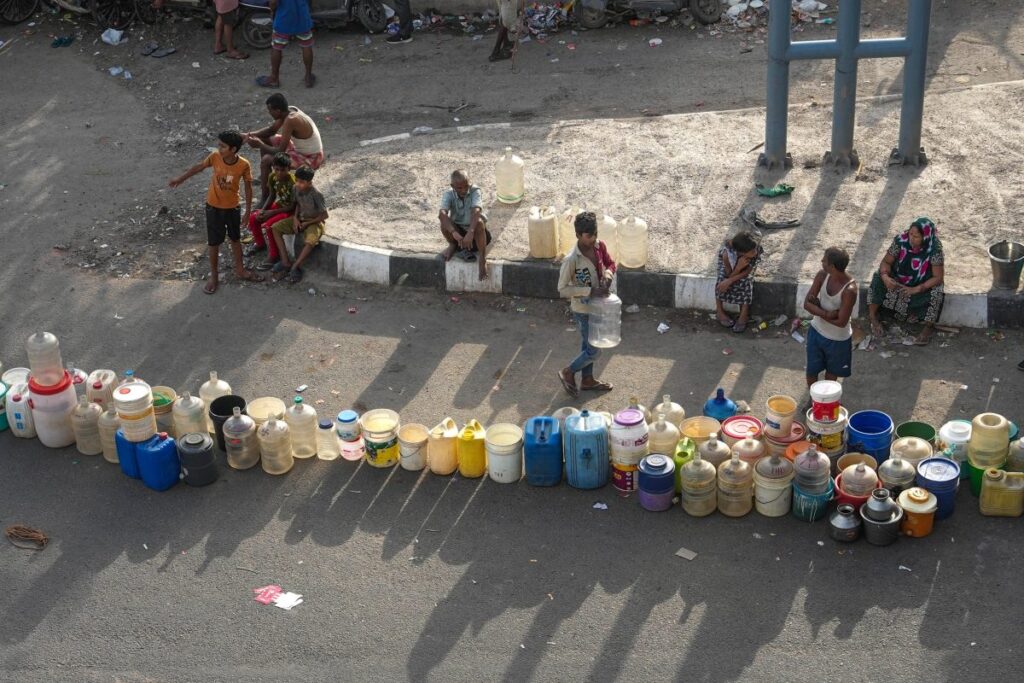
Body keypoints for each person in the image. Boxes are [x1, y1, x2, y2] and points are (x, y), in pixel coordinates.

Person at [169, 131, 263, 294]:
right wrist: (181, 178)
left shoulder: (244, 165)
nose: (219, 148)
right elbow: (199, 167)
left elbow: (248, 187)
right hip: (213, 207)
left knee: (235, 239)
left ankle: (240, 270)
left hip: (232, 208)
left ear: (233, 149)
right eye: (219, 145)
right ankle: (214, 276)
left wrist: (248, 211)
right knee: (214, 243)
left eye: (223, 146)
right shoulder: (214, 157)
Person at [557, 211, 616, 397]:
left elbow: (610, 264)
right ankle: (568, 371)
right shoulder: (571, 260)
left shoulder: (600, 247)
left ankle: (588, 380)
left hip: (599, 306)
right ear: (578, 235)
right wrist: (589, 291)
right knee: (594, 350)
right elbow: (562, 289)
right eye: (589, 236)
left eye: (595, 234)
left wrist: (607, 276)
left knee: (587, 345)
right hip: (583, 310)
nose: (593, 238)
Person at [867, 217, 945, 345]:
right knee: (878, 277)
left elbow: (938, 277)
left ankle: (928, 327)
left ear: (925, 237)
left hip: (921, 286)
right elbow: (886, 262)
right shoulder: (900, 241)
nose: (911, 239)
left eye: (916, 237)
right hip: (899, 281)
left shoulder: (934, 250)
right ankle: (873, 317)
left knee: (937, 291)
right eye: (910, 234)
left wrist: (916, 289)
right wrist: (886, 277)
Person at [802, 247, 856, 408]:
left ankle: (825, 400)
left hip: (838, 339)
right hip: (816, 331)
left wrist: (818, 310)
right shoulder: (822, 275)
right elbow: (806, 304)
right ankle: (813, 400)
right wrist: (827, 313)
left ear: (832, 266)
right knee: (811, 370)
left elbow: (841, 322)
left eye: (824, 260)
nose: (821, 262)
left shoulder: (850, 290)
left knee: (831, 373)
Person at [245, 93, 323, 202]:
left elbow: (279, 151)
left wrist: (259, 145)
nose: (269, 113)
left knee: (266, 159)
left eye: (270, 110)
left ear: (278, 111)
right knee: (265, 138)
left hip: (311, 157)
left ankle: (265, 198)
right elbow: (271, 130)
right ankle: (266, 177)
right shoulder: (289, 110)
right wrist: (247, 135)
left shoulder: (291, 120)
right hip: (299, 149)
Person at [270, 165, 328, 284]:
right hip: (300, 219)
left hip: (314, 222)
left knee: (310, 241)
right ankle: (285, 262)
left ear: (310, 182)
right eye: (297, 181)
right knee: (275, 228)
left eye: (301, 182)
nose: (298, 184)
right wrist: (295, 219)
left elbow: (324, 216)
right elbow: (297, 205)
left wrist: (308, 223)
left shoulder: (316, 194)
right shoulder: (295, 188)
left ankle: (296, 266)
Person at [438, 170, 492, 281]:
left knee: (479, 222)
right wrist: (454, 233)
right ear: (452, 186)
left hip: (477, 236)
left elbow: (476, 211)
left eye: (466, 186)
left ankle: (482, 259)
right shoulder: (448, 194)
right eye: (459, 188)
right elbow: (442, 215)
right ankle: (452, 245)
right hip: (460, 237)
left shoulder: (475, 190)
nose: (464, 190)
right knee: (444, 223)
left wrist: (470, 232)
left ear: (469, 182)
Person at [246, 152, 296, 269]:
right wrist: (263, 210)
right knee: (254, 217)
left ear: (288, 169)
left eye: (282, 170)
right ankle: (260, 244)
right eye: (276, 169)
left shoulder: (292, 183)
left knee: (269, 226)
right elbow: (272, 195)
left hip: (289, 211)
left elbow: (293, 206)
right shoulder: (272, 177)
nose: (279, 173)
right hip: (280, 206)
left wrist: (272, 212)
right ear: (273, 168)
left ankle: (274, 255)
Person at [255, 0, 315, 88]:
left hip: (284, 17)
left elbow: (273, 2)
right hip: (302, 16)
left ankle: (274, 79)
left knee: (277, 47)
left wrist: (272, 10)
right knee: (306, 45)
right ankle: (308, 78)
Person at [715, 229, 762, 333]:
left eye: (754, 250)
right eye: (752, 252)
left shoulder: (753, 247)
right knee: (721, 279)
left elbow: (747, 272)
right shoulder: (727, 255)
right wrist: (737, 268)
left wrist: (730, 280)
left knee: (746, 281)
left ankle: (743, 315)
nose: (755, 253)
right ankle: (719, 312)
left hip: (743, 269)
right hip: (730, 268)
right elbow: (728, 274)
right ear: (741, 253)